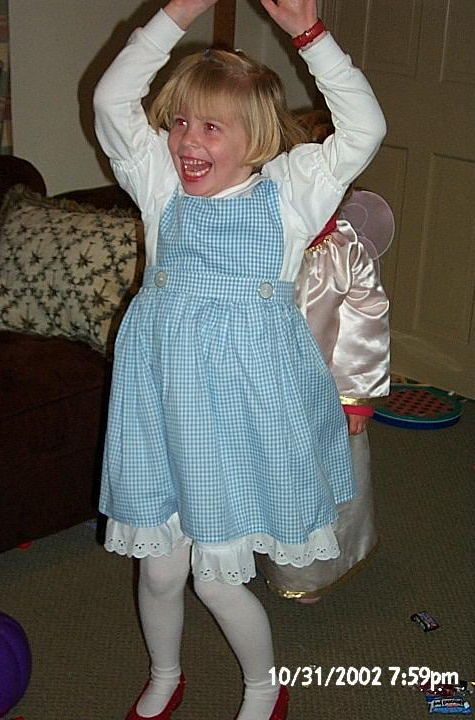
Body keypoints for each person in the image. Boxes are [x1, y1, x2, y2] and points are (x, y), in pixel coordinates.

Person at [93, 1, 386, 718]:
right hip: (160, 406)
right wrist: (176, 13)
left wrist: (310, 36)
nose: (186, 141)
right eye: (179, 122)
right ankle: (165, 673)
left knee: (216, 580)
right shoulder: (159, 184)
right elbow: (110, 98)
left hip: (241, 416)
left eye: (211, 127)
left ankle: (263, 687)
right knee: (160, 571)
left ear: (255, 139)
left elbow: (365, 127)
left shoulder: (291, 192)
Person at [257, 109, 392, 605]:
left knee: (313, 483)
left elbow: (366, 318)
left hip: (321, 398)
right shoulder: (260, 240)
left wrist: (355, 395)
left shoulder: (344, 251)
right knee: (250, 475)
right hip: (254, 387)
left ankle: (306, 572)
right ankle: (235, 550)